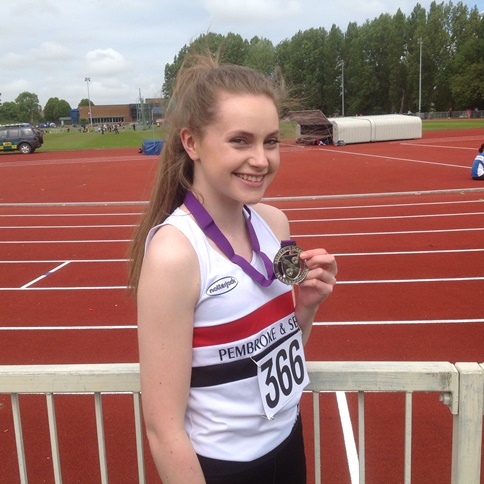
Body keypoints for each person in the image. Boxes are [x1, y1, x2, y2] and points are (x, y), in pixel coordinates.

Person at [128, 54, 337, 484]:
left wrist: (306, 308)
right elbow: (164, 429)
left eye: (271, 141)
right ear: (192, 143)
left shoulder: (275, 224)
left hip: (288, 441)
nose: (261, 159)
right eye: (240, 141)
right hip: (224, 467)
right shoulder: (175, 255)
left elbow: (281, 350)